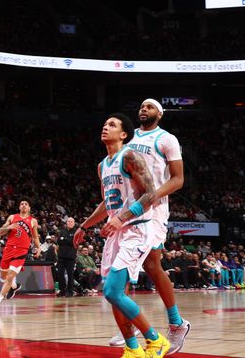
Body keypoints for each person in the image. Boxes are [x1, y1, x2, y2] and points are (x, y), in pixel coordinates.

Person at [74, 113, 170, 358]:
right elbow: (107, 203)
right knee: (114, 294)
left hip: (137, 228)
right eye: (105, 123)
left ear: (124, 134)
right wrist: (85, 225)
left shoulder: (130, 156)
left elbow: (150, 194)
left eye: (112, 125)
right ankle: (132, 348)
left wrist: (121, 218)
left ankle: (155, 340)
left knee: (112, 291)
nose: (105, 127)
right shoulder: (102, 165)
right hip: (116, 233)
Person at [104, 98, 190, 352]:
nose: (143, 109)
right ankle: (129, 323)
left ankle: (176, 323)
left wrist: (151, 197)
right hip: (130, 209)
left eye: (150, 107)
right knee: (123, 270)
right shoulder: (128, 140)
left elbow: (178, 179)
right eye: (141, 106)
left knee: (152, 265)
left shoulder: (166, 139)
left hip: (154, 208)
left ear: (159, 114)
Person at [0, 200, 40, 313]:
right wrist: (9, 227)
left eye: (26, 204)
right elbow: (0, 232)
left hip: (22, 251)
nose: (23, 205)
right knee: (3, 276)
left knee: (10, 276)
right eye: (21, 203)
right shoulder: (12, 217)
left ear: (29, 208)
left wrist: (39, 248)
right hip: (9, 249)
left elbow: (35, 237)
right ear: (19, 206)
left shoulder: (33, 221)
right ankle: (14, 286)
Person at [56, 216, 78, 297]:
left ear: (74, 223)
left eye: (71, 221)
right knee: (60, 274)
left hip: (70, 257)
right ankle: (62, 290)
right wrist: (67, 240)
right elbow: (59, 241)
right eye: (68, 221)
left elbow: (73, 242)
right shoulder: (62, 231)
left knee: (70, 274)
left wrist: (64, 239)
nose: (69, 223)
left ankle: (70, 291)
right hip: (61, 256)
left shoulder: (76, 232)